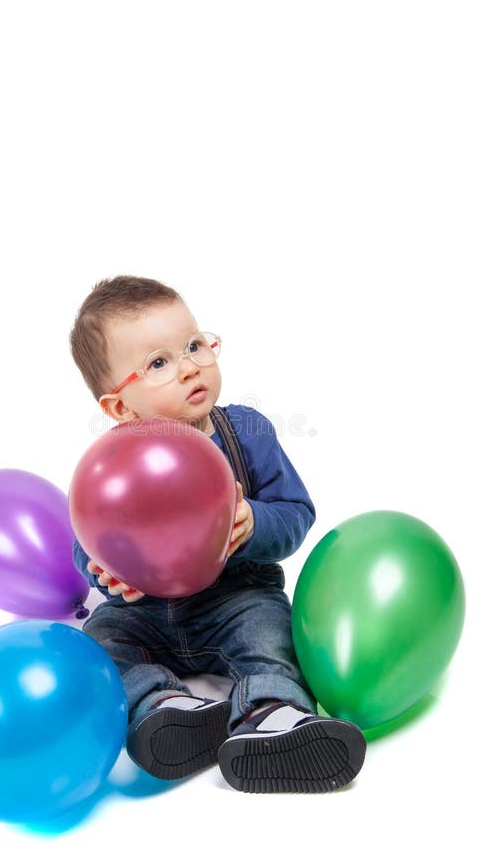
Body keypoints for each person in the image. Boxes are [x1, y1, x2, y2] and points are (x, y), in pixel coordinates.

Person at [69, 275, 366, 793]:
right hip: (144, 612)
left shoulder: (245, 433)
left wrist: (254, 520)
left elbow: (296, 512)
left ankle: (273, 718)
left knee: (271, 633)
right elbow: (87, 536)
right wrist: (103, 570)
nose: (189, 367)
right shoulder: (114, 465)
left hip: (235, 597)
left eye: (194, 345)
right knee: (101, 641)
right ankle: (165, 709)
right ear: (119, 407)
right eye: (159, 363)